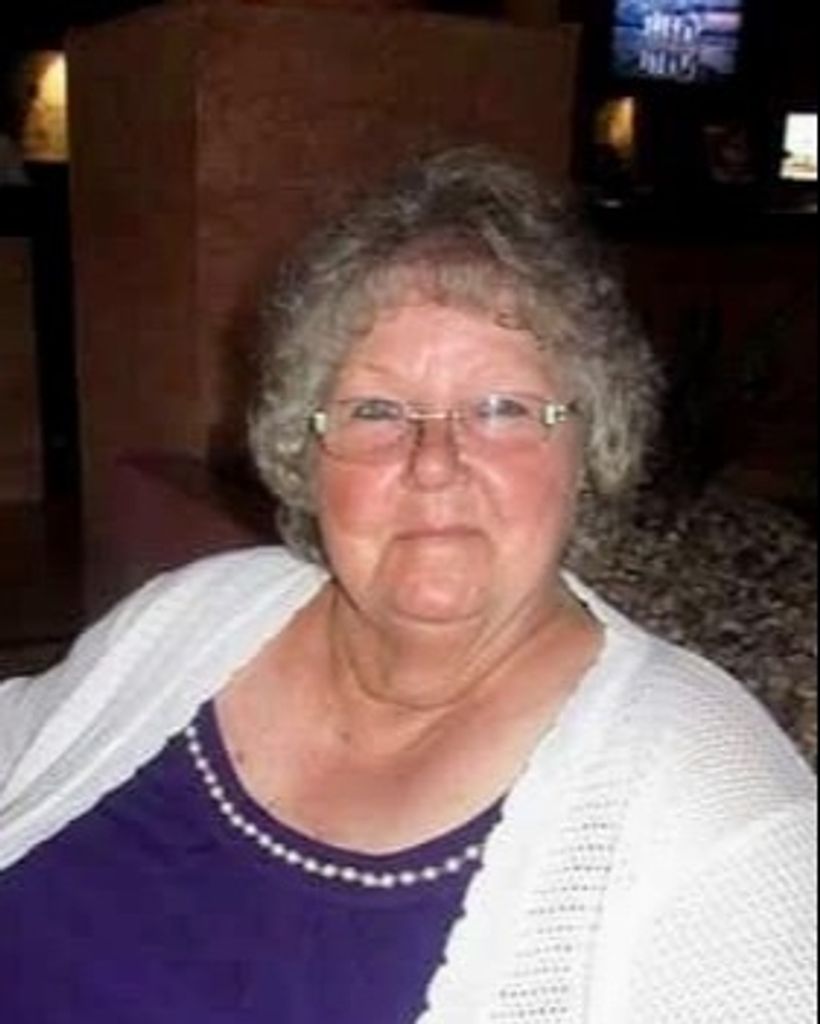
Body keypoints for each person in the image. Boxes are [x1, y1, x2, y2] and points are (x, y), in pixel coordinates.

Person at [0, 148, 815, 1023]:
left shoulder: (717, 812)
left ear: (589, 448)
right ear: (305, 453)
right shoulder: (196, 615)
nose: (433, 463)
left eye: (500, 409)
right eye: (376, 410)